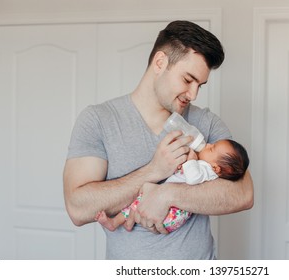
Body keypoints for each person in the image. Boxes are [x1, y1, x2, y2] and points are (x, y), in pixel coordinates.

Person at [63, 20, 254, 259]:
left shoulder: (207, 122)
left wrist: (167, 195)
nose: (193, 94)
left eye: (200, 85)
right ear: (160, 62)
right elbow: (77, 208)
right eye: (187, 80)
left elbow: (244, 194)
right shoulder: (98, 120)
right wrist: (153, 170)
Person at [95, 139, 249, 233]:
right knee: (140, 199)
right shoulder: (207, 168)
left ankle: (115, 222)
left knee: (139, 201)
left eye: (212, 148)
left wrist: (191, 159)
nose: (207, 144)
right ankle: (127, 223)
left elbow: (193, 178)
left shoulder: (207, 170)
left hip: (174, 213)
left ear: (216, 168)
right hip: (172, 213)